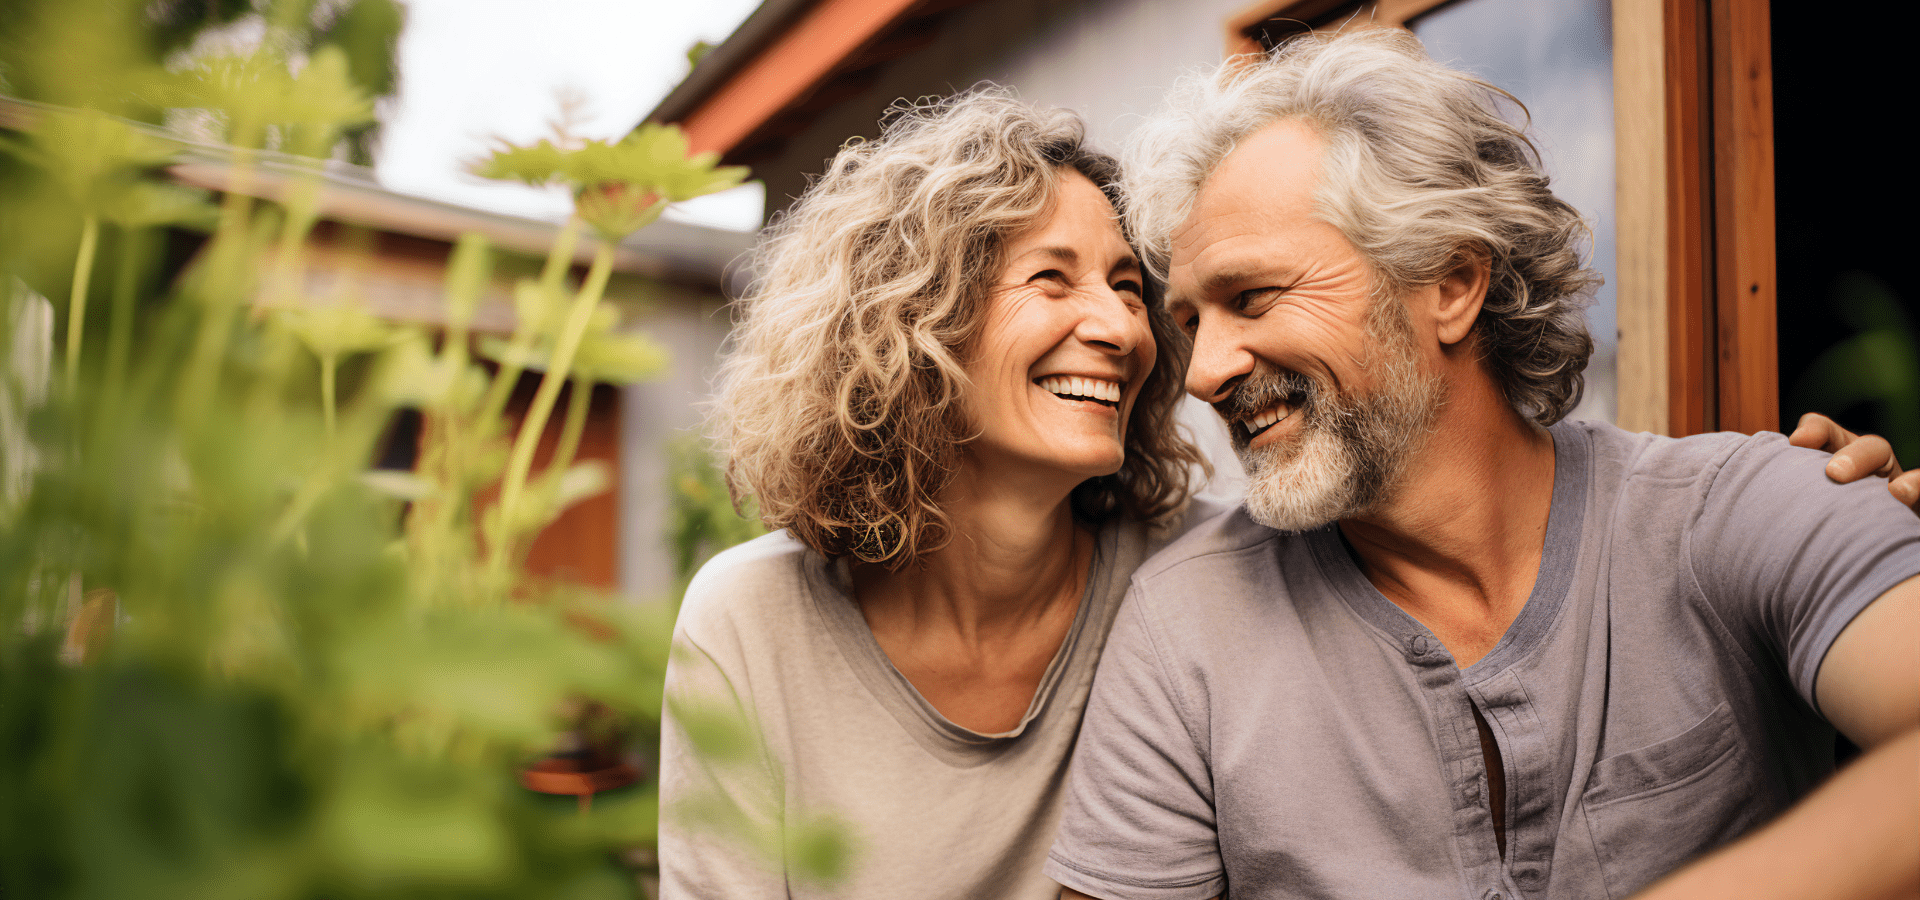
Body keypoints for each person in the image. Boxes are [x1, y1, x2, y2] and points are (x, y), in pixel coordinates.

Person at [1046, 29, 1919, 900]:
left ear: (1452, 283)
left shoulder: (1745, 506)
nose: (1202, 372)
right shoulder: (1184, 632)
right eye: (1192, 323)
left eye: (1253, 298)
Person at [654, 90, 1211, 900]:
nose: (1123, 330)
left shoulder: (1204, 576)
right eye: (1052, 279)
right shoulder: (750, 619)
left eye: (1128, 287)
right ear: (915, 324)